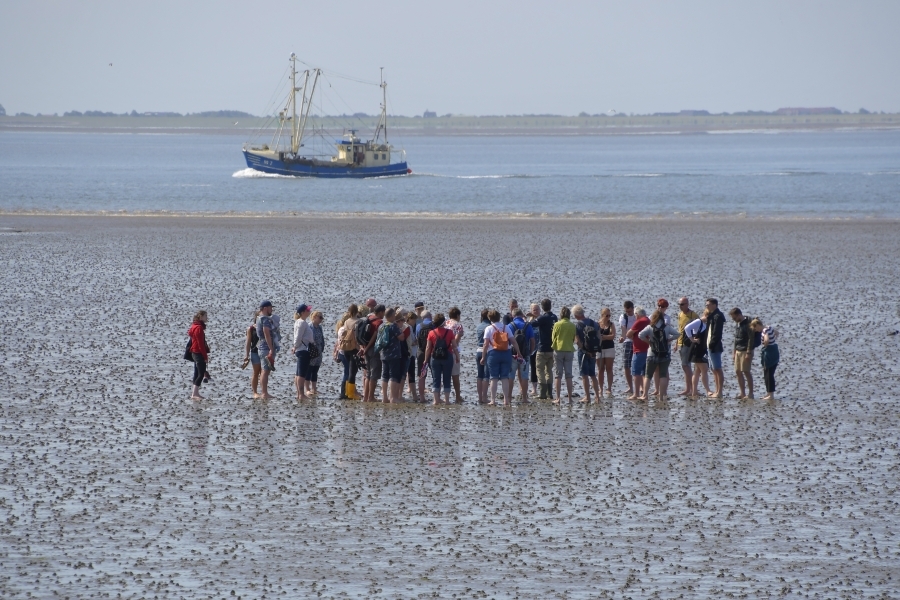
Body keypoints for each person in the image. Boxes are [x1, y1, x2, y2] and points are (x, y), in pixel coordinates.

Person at [480, 310, 521, 407]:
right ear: (499, 317)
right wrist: (518, 352)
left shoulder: (489, 328)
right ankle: (506, 400)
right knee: (504, 377)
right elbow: (513, 341)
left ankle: (493, 400)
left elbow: (486, 344)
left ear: (490, 319)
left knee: (493, 378)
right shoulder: (506, 327)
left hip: (493, 354)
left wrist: (483, 357)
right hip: (506, 353)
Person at [638, 309, 679, 401]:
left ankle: (645, 395)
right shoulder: (667, 327)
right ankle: (661, 396)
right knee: (663, 375)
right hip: (665, 354)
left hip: (651, 354)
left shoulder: (650, 327)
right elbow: (678, 334)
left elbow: (640, 335)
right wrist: (669, 340)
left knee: (648, 375)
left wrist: (649, 342)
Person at [378, 307, 410, 403]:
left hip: (383, 354)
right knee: (393, 376)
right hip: (394, 354)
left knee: (384, 375)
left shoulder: (381, 326)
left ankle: (384, 397)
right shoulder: (393, 326)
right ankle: (393, 397)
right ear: (392, 316)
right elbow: (401, 337)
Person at [425, 313, 459, 404]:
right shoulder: (450, 332)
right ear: (443, 322)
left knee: (436, 378)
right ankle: (447, 400)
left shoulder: (431, 333)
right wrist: (457, 357)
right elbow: (454, 346)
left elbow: (428, 348)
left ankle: (436, 400)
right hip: (447, 356)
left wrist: (426, 359)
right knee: (447, 378)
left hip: (435, 358)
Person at [573, 305, 601, 404]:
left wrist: (585, 350)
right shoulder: (594, 323)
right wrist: (595, 350)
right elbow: (599, 337)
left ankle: (587, 397)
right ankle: (598, 397)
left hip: (583, 352)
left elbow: (577, 341)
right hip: (593, 351)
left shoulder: (578, 325)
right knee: (593, 374)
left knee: (584, 375)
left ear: (576, 315)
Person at [507, 309, 535, 403]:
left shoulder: (510, 326)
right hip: (524, 354)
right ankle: (524, 398)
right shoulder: (528, 325)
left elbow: (506, 340)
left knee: (510, 376)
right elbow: (532, 341)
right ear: (522, 315)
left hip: (512, 354)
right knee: (524, 376)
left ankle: (509, 398)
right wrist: (530, 352)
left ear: (513, 315)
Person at [360, 304, 386, 402]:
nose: (383, 315)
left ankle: (366, 397)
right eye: (383, 313)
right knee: (374, 375)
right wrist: (367, 348)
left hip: (365, 348)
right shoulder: (379, 322)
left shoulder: (368, 318)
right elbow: (374, 336)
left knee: (368, 374)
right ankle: (371, 397)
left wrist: (363, 348)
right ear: (380, 312)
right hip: (373, 349)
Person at [551, 306, 577, 404]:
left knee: (558, 375)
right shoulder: (572, 325)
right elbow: (573, 338)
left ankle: (558, 398)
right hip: (569, 350)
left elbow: (553, 337)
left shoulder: (557, 324)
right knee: (569, 375)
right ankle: (570, 398)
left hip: (558, 349)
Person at [675, 297, 700, 397]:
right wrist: (676, 343)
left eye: (682, 304)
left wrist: (695, 341)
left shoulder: (693, 315)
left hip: (688, 344)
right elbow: (680, 329)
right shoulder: (680, 315)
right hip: (681, 343)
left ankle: (693, 389)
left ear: (687, 304)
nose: (680, 306)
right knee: (685, 366)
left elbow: (699, 328)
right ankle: (688, 388)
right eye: (679, 304)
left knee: (686, 365)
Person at [684, 309, 711, 398]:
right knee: (704, 369)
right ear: (706, 315)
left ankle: (694, 391)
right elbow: (687, 328)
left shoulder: (705, 324)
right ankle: (708, 390)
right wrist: (692, 339)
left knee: (697, 371)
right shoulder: (698, 321)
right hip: (697, 348)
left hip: (702, 348)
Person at [625, 307, 650, 401]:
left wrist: (633, 336)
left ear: (637, 314)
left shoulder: (640, 321)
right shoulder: (648, 320)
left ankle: (636, 394)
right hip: (648, 350)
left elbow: (628, 334)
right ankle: (644, 392)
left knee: (636, 372)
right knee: (644, 373)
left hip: (639, 350)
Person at [535, 298, 558, 399]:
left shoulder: (542, 318)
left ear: (542, 308)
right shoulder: (554, 317)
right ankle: (550, 393)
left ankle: (542, 393)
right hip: (552, 348)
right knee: (549, 370)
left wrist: (533, 317)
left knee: (540, 369)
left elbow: (532, 324)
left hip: (542, 348)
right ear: (550, 306)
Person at [730, 307, 754, 399]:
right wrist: (734, 351)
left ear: (739, 315)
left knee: (746, 371)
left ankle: (750, 393)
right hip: (738, 350)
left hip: (745, 351)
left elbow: (750, 339)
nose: (734, 320)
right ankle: (742, 393)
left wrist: (748, 352)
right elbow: (736, 339)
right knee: (738, 371)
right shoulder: (738, 324)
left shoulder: (748, 324)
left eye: (734, 318)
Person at [336, 304, 360, 399]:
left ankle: (345, 393)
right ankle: (350, 394)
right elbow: (359, 336)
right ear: (357, 311)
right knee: (352, 372)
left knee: (349, 370)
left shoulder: (346, 322)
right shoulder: (359, 321)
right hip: (354, 348)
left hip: (346, 348)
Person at [256, 300, 278, 400]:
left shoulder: (258, 318)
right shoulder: (264, 319)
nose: (271, 310)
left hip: (262, 347)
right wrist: (271, 348)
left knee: (266, 370)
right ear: (265, 308)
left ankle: (264, 392)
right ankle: (264, 393)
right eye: (270, 308)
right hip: (265, 348)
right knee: (265, 371)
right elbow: (267, 334)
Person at [291, 304, 314, 401]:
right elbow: (298, 337)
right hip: (303, 349)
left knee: (298, 373)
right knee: (301, 374)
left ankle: (299, 394)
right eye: (307, 310)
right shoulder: (302, 323)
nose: (309, 312)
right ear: (303, 312)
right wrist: (295, 347)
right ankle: (301, 394)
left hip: (301, 349)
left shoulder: (300, 322)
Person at [705, 298, 726, 399]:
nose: (707, 306)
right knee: (713, 369)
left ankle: (720, 391)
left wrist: (711, 344)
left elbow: (717, 334)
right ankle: (716, 390)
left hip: (715, 346)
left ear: (714, 305)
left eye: (708, 305)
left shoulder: (718, 316)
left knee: (717, 368)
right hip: (709, 345)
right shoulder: (711, 316)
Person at [755, 319, 780, 400]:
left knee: (768, 374)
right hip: (774, 351)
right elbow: (777, 332)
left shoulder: (764, 330)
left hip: (769, 353)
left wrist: (765, 346)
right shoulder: (769, 327)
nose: (756, 330)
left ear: (758, 325)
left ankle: (771, 395)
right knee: (768, 373)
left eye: (755, 328)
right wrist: (773, 340)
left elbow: (766, 340)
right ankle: (769, 393)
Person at [445, 307, 465, 403]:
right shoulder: (458, 326)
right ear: (457, 315)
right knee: (455, 375)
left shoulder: (445, 323)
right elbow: (456, 342)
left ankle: (446, 397)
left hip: (443, 352)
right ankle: (458, 397)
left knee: (445, 375)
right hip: (453, 352)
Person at [187, 310, 209, 400]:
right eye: (205, 316)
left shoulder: (194, 326)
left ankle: (195, 393)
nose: (207, 318)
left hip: (194, 352)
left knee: (197, 373)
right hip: (198, 352)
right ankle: (194, 394)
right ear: (201, 317)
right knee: (201, 373)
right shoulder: (199, 328)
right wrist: (205, 356)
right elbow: (200, 344)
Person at [618, 301, 637, 396]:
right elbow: (623, 329)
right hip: (627, 342)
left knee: (638, 364)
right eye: (626, 311)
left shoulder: (637, 315)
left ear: (633, 308)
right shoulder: (623, 317)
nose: (628, 313)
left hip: (637, 342)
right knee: (626, 365)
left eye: (629, 311)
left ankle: (640, 386)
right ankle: (630, 387)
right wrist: (623, 337)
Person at [596, 308, 616, 398]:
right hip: (599, 349)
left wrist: (603, 336)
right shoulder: (597, 324)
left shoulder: (611, 325)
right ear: (602, 315)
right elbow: (596, 336)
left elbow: (612, 336)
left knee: (609, 368)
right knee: (600, 369)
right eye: (606, 315)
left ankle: (609, 388)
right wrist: (602, 337)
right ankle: (600, 388)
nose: (608, 317)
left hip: (609, 348)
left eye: (609, 315)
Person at [415, 311, 434, 401]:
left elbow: (417, 337)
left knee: (421, 375)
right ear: (430, 316)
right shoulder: (434, 325)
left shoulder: (419, 326)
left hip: (421, 351)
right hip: (432, 352)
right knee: (435, 375)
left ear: (422, 318)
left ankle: (422, 397)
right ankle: (436, 397)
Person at [242, 310, 262, 398]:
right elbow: (248, 343)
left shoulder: (266, 326)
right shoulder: (250, 329)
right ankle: (255, 392)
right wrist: (246, 355)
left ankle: (264, 391)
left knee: (264, 372)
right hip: (255, 352)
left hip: (265, 352)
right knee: (256, 372)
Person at [306, 310, 325, 397]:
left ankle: (314, 389)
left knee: (315, 370)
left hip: (319, 350)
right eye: (320, 317)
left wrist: (322, 348)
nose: (321, 319)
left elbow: (322, 338)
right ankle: (307, 389)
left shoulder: (319, 327)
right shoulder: (309, 326)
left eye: (322, 317)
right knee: (309, 369)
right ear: (314, 317)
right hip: (312, 350)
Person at [475, 309, 491, 404]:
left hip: (478, 350)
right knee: (486, 375)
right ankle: (485, 397)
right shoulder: (489, 327)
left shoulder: (479, 326)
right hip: (487, 351)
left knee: (479, 375)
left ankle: (480, 397)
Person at [404, 312, 420, 402]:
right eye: (414, 319)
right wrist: (417, 342)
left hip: (407, 354)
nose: (415, 322)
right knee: (411, 374)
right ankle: (414, 395)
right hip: (411, 354)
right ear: (409, 319)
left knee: (405, 374)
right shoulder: (409, 327)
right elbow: (410, 342)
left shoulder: (405, 326)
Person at [527, 303, 541, 397]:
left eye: (537, 309)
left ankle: (544, 387)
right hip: (532, 348)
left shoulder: (542, 320)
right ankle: (534, 388)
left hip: (541, 347)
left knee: (541, 368)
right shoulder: (529, 322)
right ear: (531, 311)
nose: (536, 311)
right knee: (533, 368)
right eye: (534, 310)